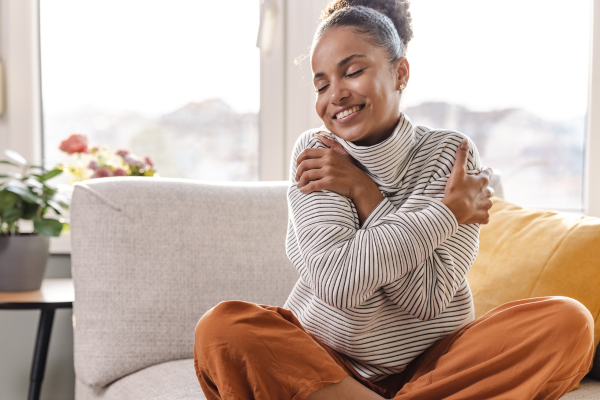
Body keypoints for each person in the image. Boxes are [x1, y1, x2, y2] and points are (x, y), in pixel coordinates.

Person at [193, 1, 594, 399]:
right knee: (223, 329)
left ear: (399, 73)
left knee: (568, 322)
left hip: (433, 366)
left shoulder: (449, 154)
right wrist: (446, 214)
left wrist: (366, 193)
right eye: (321, 84)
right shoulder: (317, 152)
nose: (335, 94)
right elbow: (339, 283)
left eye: (352, 72)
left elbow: (428, 298)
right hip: (327, 365)